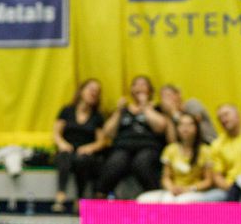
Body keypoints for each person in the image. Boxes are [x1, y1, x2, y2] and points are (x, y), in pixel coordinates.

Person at [96, 76, 170, 197]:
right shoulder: (123, 110)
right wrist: (118, 111)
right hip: (123, 146)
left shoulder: (156, 108)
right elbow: (108, 132)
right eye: (136, 84)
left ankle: (154, 198)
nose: (139, 87)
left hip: (148, 147)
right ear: (131, 90)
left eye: (143, 84)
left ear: (150, 90)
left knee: (142, 162)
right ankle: (100, 196)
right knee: (116, 161)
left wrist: (145, 107)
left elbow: (161, 127)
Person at [52, 79, 106, 212]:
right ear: (81, 91)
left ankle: (80, 198)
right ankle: (60, 194)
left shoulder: (97, 116)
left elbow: (101, 141)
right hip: (67, 148)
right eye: (91, 89)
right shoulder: (67, 110)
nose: (93, 93)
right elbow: (56, 133)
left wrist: (89, 148)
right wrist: (62, 144)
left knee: (82, 160)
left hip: (85, 152)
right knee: (65, 156)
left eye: (97, 91)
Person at [137, 113, 216, 202]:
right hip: (174, 191)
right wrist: (171, 188)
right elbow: (165, 177)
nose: (185, 128)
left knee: (180, 201)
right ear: (177, 128)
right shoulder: (170, 149)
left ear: (196, 128)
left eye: (189, 124)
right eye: (182, 124)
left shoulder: (205, 150)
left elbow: (208, 181)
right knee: (142, 199)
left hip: (194, 191)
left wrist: (189, 189)